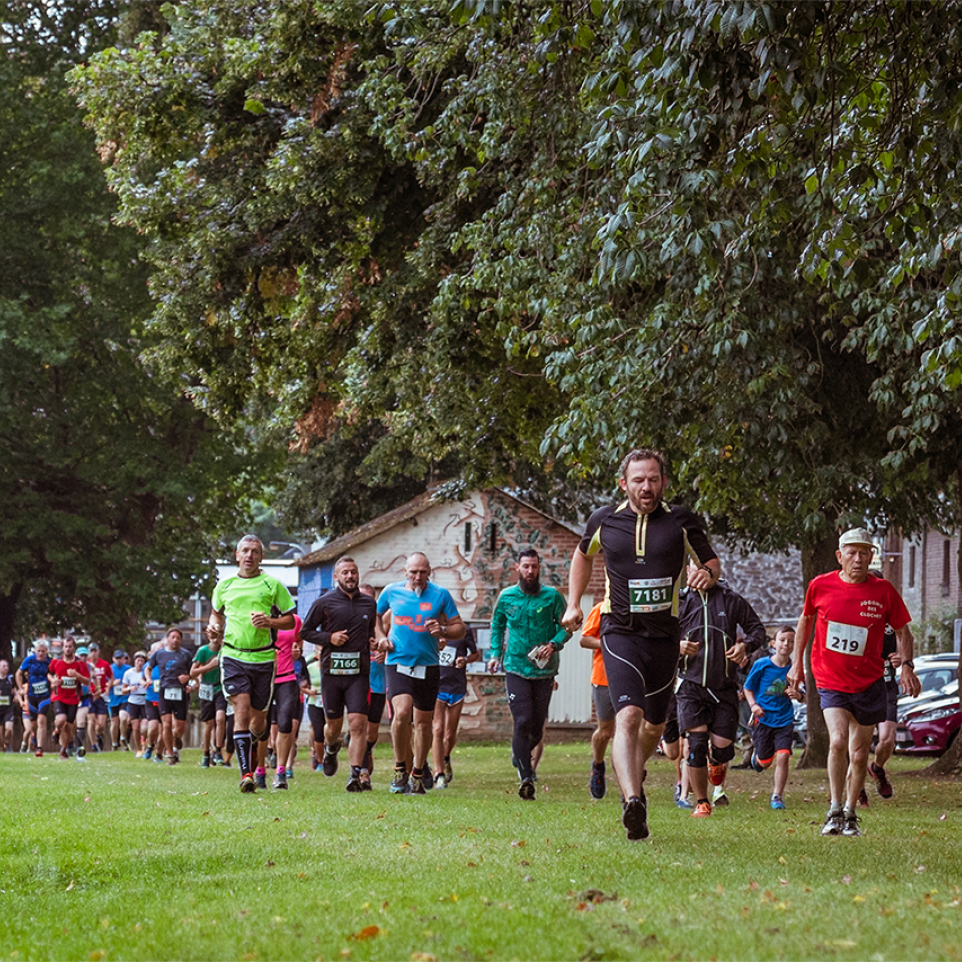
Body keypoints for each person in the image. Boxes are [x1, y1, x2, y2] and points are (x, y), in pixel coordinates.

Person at [562, 447, 720, 841]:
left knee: (654, 726)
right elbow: (582, 556)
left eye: (653, 479)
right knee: (628, 717)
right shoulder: (605, 520)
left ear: (663, 482)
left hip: (665, 634)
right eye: (638, 480)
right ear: (624, 483)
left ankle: (635, 776)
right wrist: (571, 602)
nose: (646, 487)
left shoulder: (681, 521)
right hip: (621, 632)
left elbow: (712, 562)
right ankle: (633, 800)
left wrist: (706, 574)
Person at [788, 527, 922, 838]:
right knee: (837, 741)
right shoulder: (820, 586)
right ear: (840, 556)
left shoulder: (883, 590)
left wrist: (907, 667)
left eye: (865, 553)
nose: (858, 559)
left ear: (872, 556)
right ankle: (834, 809)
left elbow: (904, 632)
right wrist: (797, 664)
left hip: (869, 681)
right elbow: (805, 620)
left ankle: (850, 813)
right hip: (831, 678)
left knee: (860, 754)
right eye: (852, 552)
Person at [676, 559, 767, 817]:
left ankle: (716, 761)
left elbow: (757, 630)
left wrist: (745, 647)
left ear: (716, 572)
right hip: (690, 684)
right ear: (688, 570)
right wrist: (677, 646)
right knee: (695, 745)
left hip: (724, 685)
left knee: (722, 747)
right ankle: (702, 802)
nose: (703, 573)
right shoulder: (679, 601)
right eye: (696, 566)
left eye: (709, 568)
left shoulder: (730, 599)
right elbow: (657, 636)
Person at [207, 535, 296, 793]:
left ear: (261, 557)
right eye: (245, 551)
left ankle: (258, 753)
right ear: (237, 555)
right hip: (234, 656)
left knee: (259, 721)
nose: (249, 555)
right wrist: (214, 627)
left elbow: (290, 621)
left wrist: (270, 622)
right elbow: (215, 612)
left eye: (255, 551)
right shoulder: (224, 586)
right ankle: (246, 774)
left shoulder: (272, 585)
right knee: (241, 710)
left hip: (264, 658)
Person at [376, 552, 466, 795]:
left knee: (424, 723)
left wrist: (443, 629)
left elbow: (460, 628)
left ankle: (417, 773)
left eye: (422, 572)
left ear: (429, 572)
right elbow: (375, 616)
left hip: (427, 665)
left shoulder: (440, 595)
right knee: (402, 712)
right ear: (405, 572)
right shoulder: (391, 592)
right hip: (397, 662)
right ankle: (399, 768)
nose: (418, 577)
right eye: (413, 572)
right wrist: (381, 637)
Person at [488, 549, 569, 800]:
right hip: (515, 667)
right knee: (522, 721)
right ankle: (525, 778)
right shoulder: (507, 597)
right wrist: (494, 654)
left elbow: (566, 627)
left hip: (544, 670)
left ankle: (519, 752)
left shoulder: (552, 597)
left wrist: (554, 644)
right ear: (517, 568)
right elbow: (497, 624)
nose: (530, 572)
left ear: (539, 568)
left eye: (534, 567)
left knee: (536, 728)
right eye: (526, 567)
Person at [302, 557, 378, 792]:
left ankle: (354, 774)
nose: (350, 576)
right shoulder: (324, 602)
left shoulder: (369, 604)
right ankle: (330, 747)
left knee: (357, 725)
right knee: (333, 727)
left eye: (353, 572)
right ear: (336, 577)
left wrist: (373, 642)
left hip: (359, 672)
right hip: (332, 673)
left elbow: (370, 632)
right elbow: (305, 631)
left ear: (358, 574)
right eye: (344, 572)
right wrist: (329, 638)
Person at [743, 627, 798, 810]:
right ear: (773, 643)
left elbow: (804, 695)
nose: (787, 644)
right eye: (782, 640)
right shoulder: (762, 664)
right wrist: (753, 705)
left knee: (783, 756)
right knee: (765, 762)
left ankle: (777, 796)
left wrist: (796, 694)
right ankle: (757, 760)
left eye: (791, 641)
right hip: (763, 718)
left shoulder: (795, 669)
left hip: (784, 719)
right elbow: (748, 687)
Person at [432, 624, 480, 789]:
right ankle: (438, 773)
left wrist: (465, 660)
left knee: (449, 734)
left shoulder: (463, 630)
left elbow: (476, 654)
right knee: (437, 729)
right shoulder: (432, 629)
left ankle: (445, 757)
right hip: (437, 685)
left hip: (457, 687)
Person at [864, 624, 906, 804]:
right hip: (861, 687)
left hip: (887, 688)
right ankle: (858, 791)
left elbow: (905, 642)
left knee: (888, 740)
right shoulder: (857, 615)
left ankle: (877, 768)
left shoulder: (891, 622)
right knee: (857, 745)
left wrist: (901, 659)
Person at [579, 603, 614, 799]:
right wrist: (609, 644)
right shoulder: (601, 609)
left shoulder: (638, 607)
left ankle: (632, 781)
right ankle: (598, 766)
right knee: (606, 731)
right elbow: (584, 640)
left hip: (631, 677)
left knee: (630, 728)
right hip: (603, 678)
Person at [267, 613, 303, 789]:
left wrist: (296, 652)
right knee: (261, 725)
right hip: (264, 676)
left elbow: (299, 641)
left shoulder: (294, 620)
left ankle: (281, 771)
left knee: (286, 722)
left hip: (287, 677)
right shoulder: (259, 615)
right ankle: (259, 769)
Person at [147, 628, 192, 765]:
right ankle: (170, 755)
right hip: (164, 691)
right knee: (166, 724)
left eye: (178, 638)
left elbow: (194, 671)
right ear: (167, 639)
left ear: (181, 640)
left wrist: (189, 679)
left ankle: (177, 737)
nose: (175, 640)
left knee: (179, 728)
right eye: (172, 637)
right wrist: (148, 679)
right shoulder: (159, 654)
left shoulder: (186, 655)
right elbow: (148, 667)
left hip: (181, 692)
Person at [49, 636, 91, 760]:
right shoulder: (56, 661)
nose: (67, 649)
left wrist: (76, 675)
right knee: (61, 719)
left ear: (73, 648)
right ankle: (56, 730)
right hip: (59, 696)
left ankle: (63, 750)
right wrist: (53, 680)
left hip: (73, 698)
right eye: (65, 646)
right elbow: (49, 673)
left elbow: (87, 681)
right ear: (63, 648)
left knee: (68, 727)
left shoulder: (79, 663)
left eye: (70, 647)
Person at [360, 583, 386, 785]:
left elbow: (394, 643)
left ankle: (367, 750)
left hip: (377, 683)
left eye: (369, 599)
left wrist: (385, 652)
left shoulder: (381, 623)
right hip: (356, 683)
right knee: (358, 727)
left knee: (372, 732)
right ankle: (362, 772)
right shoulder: (350, 621)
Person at [191, 635, 227, 768]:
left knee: (220, 718)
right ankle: (206, 753)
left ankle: (218, 750)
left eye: (219, 635)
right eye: (213, 635)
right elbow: (192, 673)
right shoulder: (203, 651)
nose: (216, 639)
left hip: (220, 687)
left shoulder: (225, 650)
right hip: (206, 687)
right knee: (208, 724)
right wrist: (209, 666)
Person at [17, 639, 53, 754]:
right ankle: (33, 737)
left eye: (43, 651)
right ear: (35, 651)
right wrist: (20, 688)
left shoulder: (50, 662)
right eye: (39, 651)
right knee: (33, 724)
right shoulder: (29, 660)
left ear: (47, 651)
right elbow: (18, 673)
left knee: (42, 720)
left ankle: (39, 748)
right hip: (32, 695)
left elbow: (56, 673)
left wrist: (54, 682)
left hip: (45, 695)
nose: (41, 653)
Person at [122, 651, 149, 756]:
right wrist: (130, 688)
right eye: (138, 660)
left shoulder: (147, 672)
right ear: (134, 661)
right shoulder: (128, 673)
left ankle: (145, 743)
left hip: (145, 701)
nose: (140, 663)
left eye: (142, 661)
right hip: (133, 701)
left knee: (145, 727)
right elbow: (122, 690)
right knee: (136, 727)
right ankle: (139, 749)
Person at [107, 649, 130, 750]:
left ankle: (123, 739)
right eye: (117, 658)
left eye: (121, 658)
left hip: (125, 698)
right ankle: (114, 744)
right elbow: (103, 685)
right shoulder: (109, 669)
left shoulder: (128, 669)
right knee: (114, 723)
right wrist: (112, 683)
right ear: (113, 659)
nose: (119, 660)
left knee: (123, 718)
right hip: (113, 699)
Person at [0, 659, 18, 751]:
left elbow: (15, 691)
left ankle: (7, 744)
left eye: (6, 666)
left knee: (9, 729)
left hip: (8, 708)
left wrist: (16, 696)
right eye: (3, 666)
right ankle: (2, 748)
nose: (5, 668)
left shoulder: (10, 679)